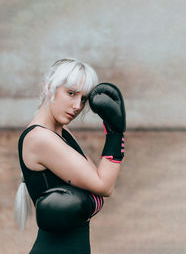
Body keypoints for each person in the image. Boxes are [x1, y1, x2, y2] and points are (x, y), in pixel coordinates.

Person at [14, 57, 125, 254]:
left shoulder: (62, 134)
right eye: (71, 93)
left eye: (83, 99)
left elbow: (103, 183)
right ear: (48, 87)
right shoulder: (40, 138)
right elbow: (104, 187)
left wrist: (90, 199)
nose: (77, 106)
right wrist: (115, 135)